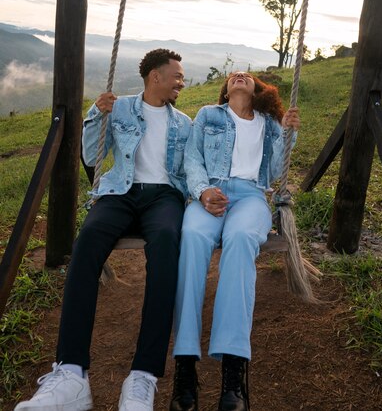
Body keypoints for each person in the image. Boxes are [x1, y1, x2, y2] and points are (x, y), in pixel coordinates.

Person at [15, 49, 192, 411]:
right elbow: (93, 157)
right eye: (176, 75)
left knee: (166, 244)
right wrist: (97, 115)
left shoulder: (184, 123)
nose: (181, 82)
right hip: (119, 192)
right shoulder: (121, 108)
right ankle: (71, 373)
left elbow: (189, 171)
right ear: (155, 76)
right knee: (88, 241)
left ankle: (143, 374)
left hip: (164, 198)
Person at [170, 71, 300, 411]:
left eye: (246, 75)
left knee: (241, 238)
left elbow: (272, 172)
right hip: (210, 192)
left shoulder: (269, 122)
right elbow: (192, 159)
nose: (239, 75)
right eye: (232, 76)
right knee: (193, 236)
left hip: (251, 197)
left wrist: (287, 133)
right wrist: (201, 192)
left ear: (256, 89)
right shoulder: (208, 115)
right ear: (226, 90)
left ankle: (234, 371)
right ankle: (185, 366)